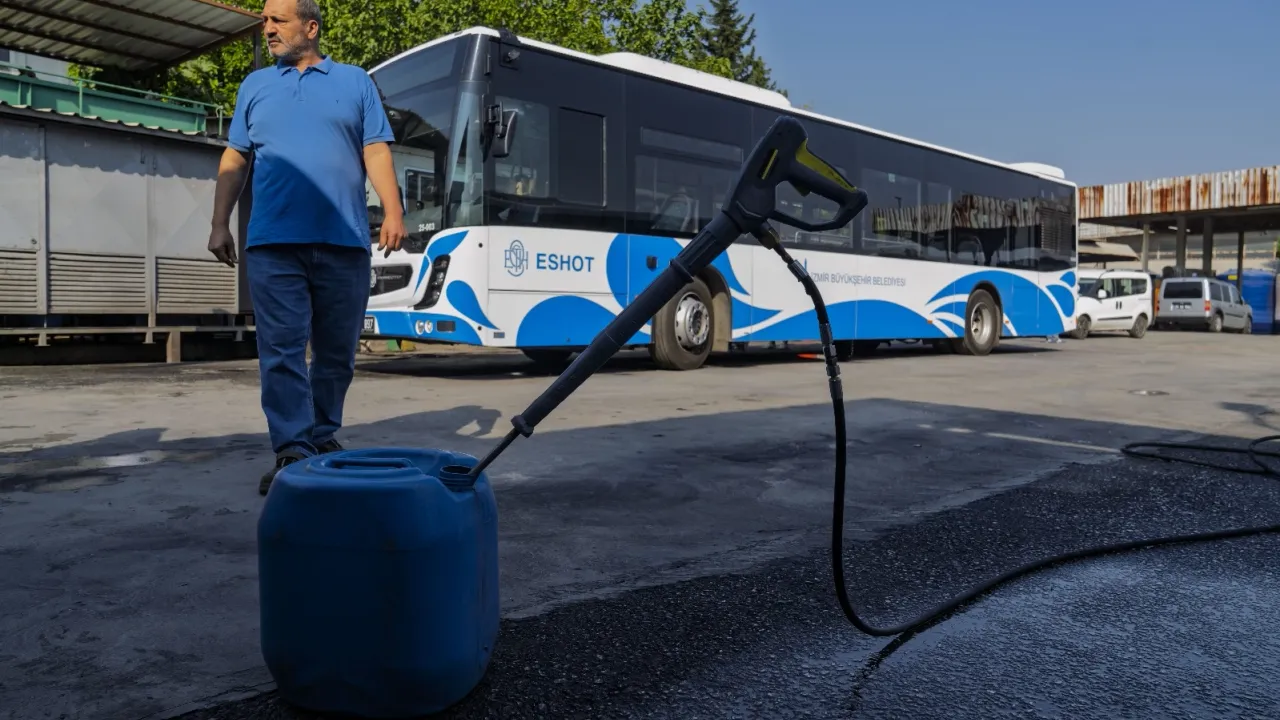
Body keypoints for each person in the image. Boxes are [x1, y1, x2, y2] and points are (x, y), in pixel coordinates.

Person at [208, 0, 407, 495]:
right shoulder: (255, 86)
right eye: (265, 20)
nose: (267, 28)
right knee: (281, 352)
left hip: (344, 241)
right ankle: (293, 448)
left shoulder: (355, 81)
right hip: (274, 243)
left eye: (278, 20)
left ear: (311, 27)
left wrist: (394, 210)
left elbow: (375, 148)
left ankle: (320, 434)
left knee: (337, 353)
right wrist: (219, 223)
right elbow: (236, 157)